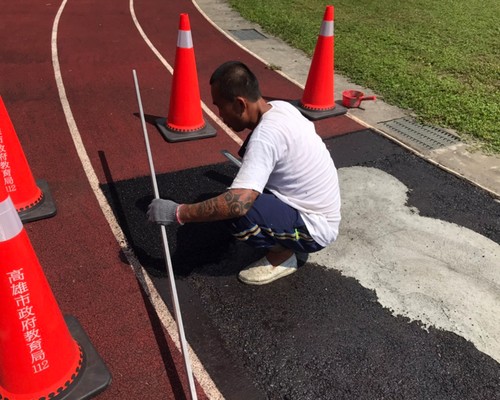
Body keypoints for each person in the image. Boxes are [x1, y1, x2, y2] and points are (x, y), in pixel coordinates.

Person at [148, 61, 341, 285]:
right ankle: (281, 229)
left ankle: (283, 256)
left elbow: (237, 205)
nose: (220, 115)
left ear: (240, 104)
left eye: (221, 107)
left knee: (239, 213)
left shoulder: (265, 136)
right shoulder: (280, 108)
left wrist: (177, 213)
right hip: (313, 204)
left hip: (315, 228)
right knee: (238, 195)